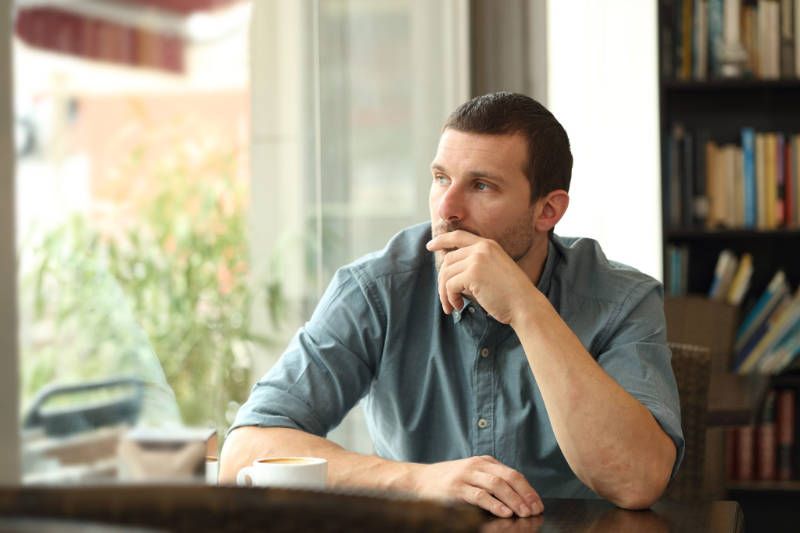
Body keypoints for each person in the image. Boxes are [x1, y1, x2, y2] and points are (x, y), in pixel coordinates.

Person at [219, 92, 683, 518]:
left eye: (482, 186)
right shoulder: (378, 288)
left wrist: (525, 307)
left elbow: (637, 481)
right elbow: (242, 453)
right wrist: (419, 479)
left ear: (548, 211)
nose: (447, 209)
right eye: (441, 178)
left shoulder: (622, 298)